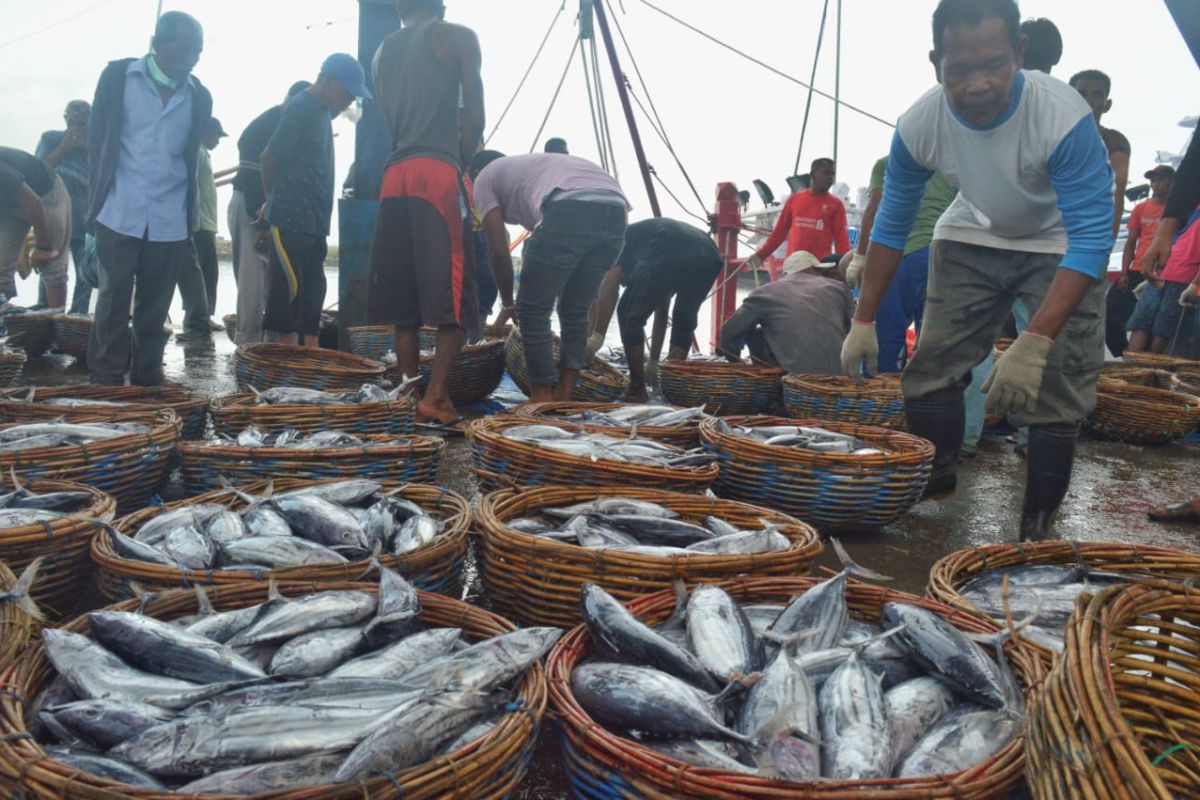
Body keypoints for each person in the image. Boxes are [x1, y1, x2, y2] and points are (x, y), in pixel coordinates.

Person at [840, 0, 1115, 541]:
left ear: (1020, 54)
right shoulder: (919, 124)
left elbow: (1091, 239)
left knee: (1059, 391)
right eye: (959, 70)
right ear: (935, 62)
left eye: (994, 64)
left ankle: (1036, 524)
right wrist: (864, 319)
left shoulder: (1062, 118)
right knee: (930, 372)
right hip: (970, 232)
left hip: (1060, 243)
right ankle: (938, 472)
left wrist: (1034, 341)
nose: (978, 84)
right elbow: (892, 225)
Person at [368, 0, 484, 425]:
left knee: (406, 303)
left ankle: (408, 392)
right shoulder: (455, 36)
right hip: (436, 172)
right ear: (440, 5)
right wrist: (462, 163)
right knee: (455, 299)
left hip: (394, 175)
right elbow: (474, 115)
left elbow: (391, 119)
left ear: (400, 8)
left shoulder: (381, 53)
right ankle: (436, 398)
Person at [86, 11, 211, 386]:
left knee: (155, 306)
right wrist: (95, 200)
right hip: (118, 208)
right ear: (157, 44)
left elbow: (187, 156)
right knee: (112, 299)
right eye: (184, 49)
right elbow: (97, 140)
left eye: (198, 51)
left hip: (170, 217)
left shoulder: (199, 96)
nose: (191, 59)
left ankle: (148, 375)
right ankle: (106, 376)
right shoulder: (118, 78)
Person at [475, 152, 629, 402]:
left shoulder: (483, 178)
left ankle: (541, 396)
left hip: (570, 205)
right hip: (616, 210)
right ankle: (564, 395)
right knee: (575, 310)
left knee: (533, 309)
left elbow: (498, 252)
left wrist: (508, 303)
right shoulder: (527, 168)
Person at [261, 55, 371, 347]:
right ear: (328, 80)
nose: (348, 100)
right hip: (289, 217)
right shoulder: (301, 106)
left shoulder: (324, 112)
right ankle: (284, 354)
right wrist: (271, 199)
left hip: (315, 220)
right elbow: (269, 157)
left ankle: (310, 348)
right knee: (287, 289)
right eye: (346, 92)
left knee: (313, 287)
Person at [848, 155, 955, 373]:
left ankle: (880, 397)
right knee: (935, 341)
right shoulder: (949, 165)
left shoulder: (886, 163)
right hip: (943, 256)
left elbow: (873, 209)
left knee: (885, 335)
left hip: (898, 255)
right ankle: (930, 398)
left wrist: (859, 258)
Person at [601, 218, 724, 402]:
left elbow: (609, 286)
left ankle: (636, 389)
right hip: (710, 253)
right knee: (684, 317)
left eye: (625, 282)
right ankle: (674, 388)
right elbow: (662, 306)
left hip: (668, 242)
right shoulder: (643, 245)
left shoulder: (618, 242)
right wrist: (653, 361)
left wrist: (596, 337)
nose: (626, 284)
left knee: (627, 313)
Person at [228, 81, 311, 346]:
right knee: (251, 279)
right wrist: (261, 220)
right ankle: (249, 344)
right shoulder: (267, 125)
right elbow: (255, 172)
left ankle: (271, 342)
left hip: (273, 209)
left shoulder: (290, 125)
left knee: (273, 279)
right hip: (251, 206)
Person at [720, 250, 853, 375]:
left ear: (786, 274)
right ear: (812, 269)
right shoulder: (839, 288)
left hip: (795, 379)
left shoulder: (764, 293)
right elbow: (854, 328)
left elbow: (728, 333)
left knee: (756, 335)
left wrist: (736, 364)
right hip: (842, 375)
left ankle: (772, 383)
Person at [1108, 165, 1174, 356]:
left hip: (1162, 271)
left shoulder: (1176, 210)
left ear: (1172, 182)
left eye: (1161, 179)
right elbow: (1130, 242)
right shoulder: (1141, 208)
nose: (1156, 184)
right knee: (1110, 315)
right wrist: (1124, 272)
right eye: (1153, 180)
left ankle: (1140, 361)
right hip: (1137, 269)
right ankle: (1124, 355)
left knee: (1151, 323)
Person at [35, 100, 92, 314]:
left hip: (84, 221)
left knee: (85, 275)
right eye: (75, 121)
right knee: (51, 272)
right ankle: (46, 316)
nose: (78, 127)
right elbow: (39, 171)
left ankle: (77, 321)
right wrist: (63, 148)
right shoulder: (51, 139)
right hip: (53, 218)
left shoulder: (96, 148)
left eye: (84, 123)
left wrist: (89, 150)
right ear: (66, 119)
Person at [746, 157, 849, 269]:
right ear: (813, 175)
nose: (830, 178)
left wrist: (846, 267)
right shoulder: (794, 200)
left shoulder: (836, 205)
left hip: (819, 268)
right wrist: (760, 256)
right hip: (793, 267)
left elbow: (841, 240)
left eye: (832, 174)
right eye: (826, 173)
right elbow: (779, 234)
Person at [0, 148, 71, 309]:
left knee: (52, 267)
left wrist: (43, 248)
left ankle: (57, 324)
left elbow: (34, 204)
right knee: (1, 271)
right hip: (8, 206)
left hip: (45, 193)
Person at [178, 116, 227, 337]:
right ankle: (195, 317)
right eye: (216, 135)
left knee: (208, 273)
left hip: (207, 223)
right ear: (205, 132)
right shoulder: (196, 153)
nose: (218, 141)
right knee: (200, 274)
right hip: (200, 224)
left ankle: (203, 315)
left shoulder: (203, 154)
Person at [1070, 69, 1130, 239]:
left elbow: (1116, 195)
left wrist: (1105, 247)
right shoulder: (1051, 137)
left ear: (1107, 104)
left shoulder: (1113, 142)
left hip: (1087, 237)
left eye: (1097, 95)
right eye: (1081, 94)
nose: (1088, 100)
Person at [1127, 215, 1200, 354]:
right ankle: (1132, 367)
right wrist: (1151, 277)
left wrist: (1195, 283)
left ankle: (1150, 369)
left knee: (1162, 329)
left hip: (1184, 277)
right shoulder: (1187, 211)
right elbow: (1170, 243)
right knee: (1141, 324)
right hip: (1164, 273)